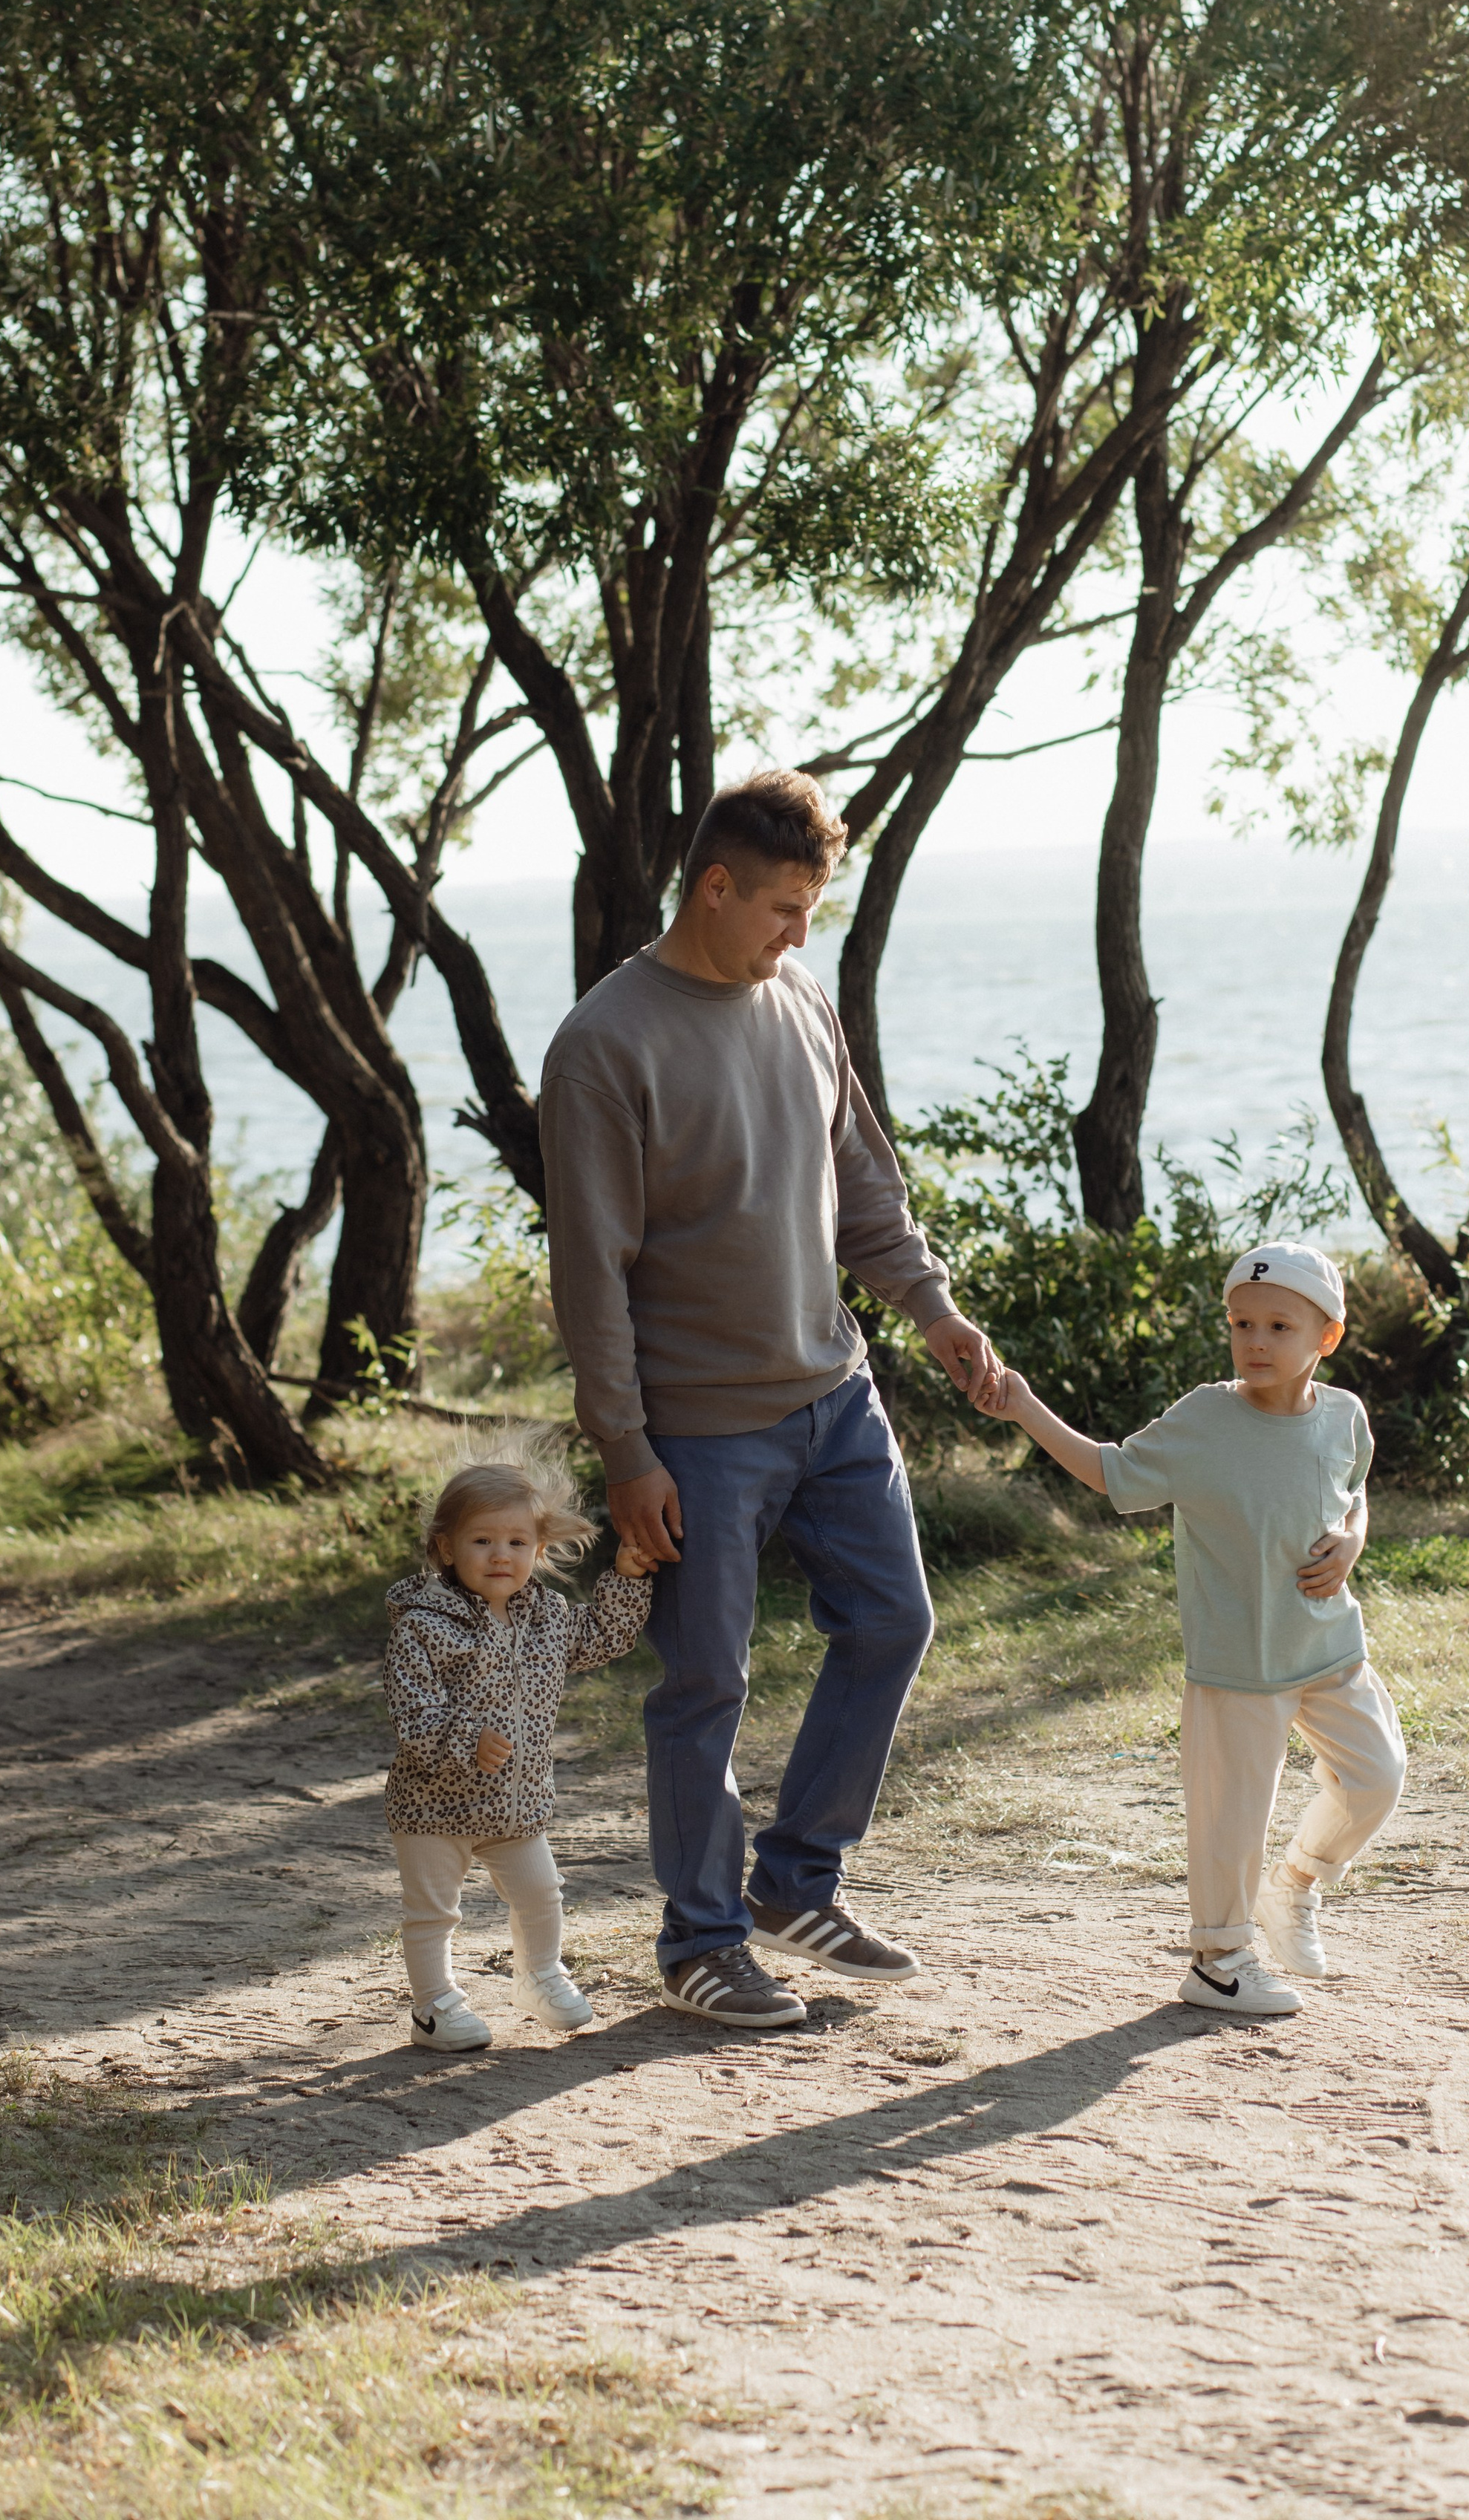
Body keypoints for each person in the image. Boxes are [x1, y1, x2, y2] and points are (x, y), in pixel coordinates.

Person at [540, 769, 1003, 2030]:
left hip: (834, 1394)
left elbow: (861, 1177)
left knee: (894, 1623)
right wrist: (626, 1450)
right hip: (697, 1426)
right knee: (705, 1686)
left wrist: (933, 1310)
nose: (804, 934)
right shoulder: (605, 1045)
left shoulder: (797, 996)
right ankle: (698, 1942)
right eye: (787, 908)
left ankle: (794, 1884)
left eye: (816, 909)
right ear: (714, 887)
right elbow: (592, 1272)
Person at [977, 1241, 1406, 2018]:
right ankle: (1218, 1959)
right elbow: (1111, 1472)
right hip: (1237, 1661)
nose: (1256, 1342)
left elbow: (1353, 1492)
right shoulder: (1204, 1418)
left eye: (1279, 1326)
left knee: (1377, 1777)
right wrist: (1024, 1408)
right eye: (1242, 1323)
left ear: (1326, 1338)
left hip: (1327, 1646)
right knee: (1230, 1818)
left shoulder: (1344, 1415)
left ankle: (1297, 1885)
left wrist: (1354, 1539)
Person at [382, 1431, 659, 2051]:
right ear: (445, 1548)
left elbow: (601, 1639)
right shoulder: (423, 1628)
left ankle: (538, 1976)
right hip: (434, 1807)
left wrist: (626, 1576)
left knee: (540, 1893)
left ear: (538, 1546)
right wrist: (464, 1742)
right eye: (482, 1541)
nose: (501, 1555)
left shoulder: (547, 1615)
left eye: (517, 1542)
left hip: (516, 1803)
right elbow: (413, 1714)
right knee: (434, 1912)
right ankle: (434, 2008)